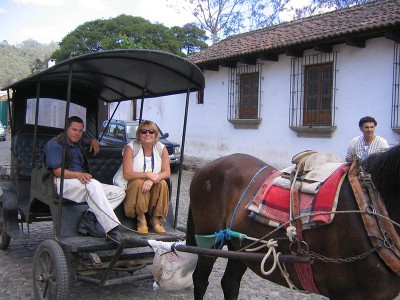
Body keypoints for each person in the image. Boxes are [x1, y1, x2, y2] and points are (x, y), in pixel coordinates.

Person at [44, 116, 126, 245]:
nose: (77, 133)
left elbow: (87, 141)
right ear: (66, 129)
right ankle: (112, 230)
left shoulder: (78, 142)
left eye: (80, 131)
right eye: (74, 130)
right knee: (93, 184)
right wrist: (77, 175)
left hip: (80, 182)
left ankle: (89, 218)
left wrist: (93, 141)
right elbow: (57, 172)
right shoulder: (55, 144)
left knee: (119, 192)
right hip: (62, 182)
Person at [121, 120, 170, 234]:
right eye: (143, 131)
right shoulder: (131, 148)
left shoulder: (161, 148)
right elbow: (127, 174)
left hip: (151, 183)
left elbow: (167, 172)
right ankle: (141, 217)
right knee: (139, 183)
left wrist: (152, 180)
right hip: (132, 184)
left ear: (155, 135)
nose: (147, 134)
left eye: (151, 131)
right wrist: (147, 175)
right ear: (139, 134)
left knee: (162, 183)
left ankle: (155, 218)